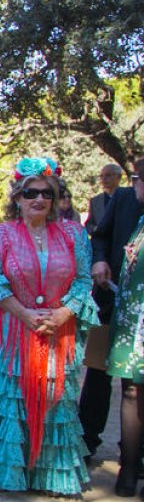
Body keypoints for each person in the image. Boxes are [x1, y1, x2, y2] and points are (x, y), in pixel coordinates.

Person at [0, 157, 94, 496]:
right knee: (11, 402)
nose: (39, 199)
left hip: (57, 334)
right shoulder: (2, 233)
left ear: (57, 197)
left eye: (47, 193)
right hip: (10, 335)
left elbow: (83, 280)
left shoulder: (74, 233)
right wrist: (25, 315)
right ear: (17, 197)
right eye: (30, 192)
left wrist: (62, 314)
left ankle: (47, 474)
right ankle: (9, 471)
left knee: (54, 401)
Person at [81, 162, 144, 459]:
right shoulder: (124, 198)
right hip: (110, 299)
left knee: (136, 386)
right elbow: (101, 236)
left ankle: (134, 454)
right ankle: (86, 440)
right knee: (97, 373)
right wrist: (100, 260)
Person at [105, 157, 144, 495]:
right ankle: (129, 470)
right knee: (131, 390)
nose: (137, 186)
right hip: (134, 322)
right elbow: (104, 239)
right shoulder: (135, 214)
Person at [86, 163, 124, 235]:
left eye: (108, 175)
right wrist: (96, 229)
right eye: (101, 176)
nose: (104, 178)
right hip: (102, 242)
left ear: (119, 177)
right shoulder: (95, 201)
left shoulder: (129, 197)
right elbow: (89, 224)